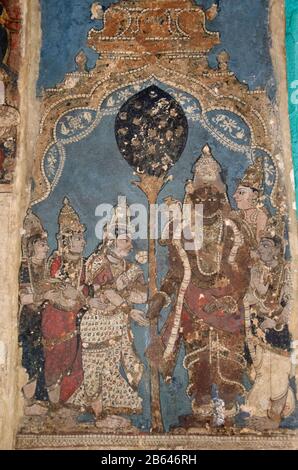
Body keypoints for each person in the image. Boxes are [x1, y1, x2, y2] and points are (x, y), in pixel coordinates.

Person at [147, 147, 247, 426]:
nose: (209, 199)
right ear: (192, 196)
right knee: (198, 358)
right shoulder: (182, 231)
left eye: (214, 194)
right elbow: (176, 272)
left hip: (227, 305)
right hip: (194, 302)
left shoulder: (232, 229)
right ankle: (202, 411)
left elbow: (242, 271)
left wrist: (229, 297)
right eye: (202, 194)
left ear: (221, 196)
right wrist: (162, 296)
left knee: (228, 357)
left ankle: (227, 412)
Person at [70, 203, 148, 427]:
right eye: (125, 239)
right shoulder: (97, 261)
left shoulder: (128, 265)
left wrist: (138, 296)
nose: (129, 244)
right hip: (97, 323)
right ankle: (99, 416)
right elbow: (106, 293)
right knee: (95, 370)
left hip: (117, 323)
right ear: (111, 240)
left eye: (129, 239)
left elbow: (140, 295)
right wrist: (129, 307)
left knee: (111, 369)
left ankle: (104, 414)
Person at [243, 218, 295, 430]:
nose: (260, 249)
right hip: (258, 330)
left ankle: (274, 418)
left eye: (266, 245)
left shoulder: (288, 271)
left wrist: (276, 321)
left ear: (276, 250)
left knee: (279, 370)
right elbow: (250, 298)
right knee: (262, 372)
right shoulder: (256, 271)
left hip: (279, 330)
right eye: (260, 245)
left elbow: (291, 303)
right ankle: (262, 413)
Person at [41, 198, 87, 406]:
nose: (83, 242)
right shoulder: (57, 261)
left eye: (82, 238)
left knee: (74, 357)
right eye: (78, 239)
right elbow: (52, 285)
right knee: (55, 357)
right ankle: (54, 403)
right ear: (67, 241)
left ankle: (70, 401)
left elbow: (86, 288)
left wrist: (81, 294)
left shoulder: (85, 264)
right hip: (55, 317)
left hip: (74, 318)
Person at [19, 209, 50, 416]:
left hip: (42, 320)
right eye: (42, 244)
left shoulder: (45, 267)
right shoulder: (24, 266)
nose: (46, 248)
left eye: (46, 244)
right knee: (29, 359)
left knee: (41, 358)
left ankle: (35, 400)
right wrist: (47, 295)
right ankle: (27, 403)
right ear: (31, 247)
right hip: (28, 320)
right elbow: (25, 298)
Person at [233, 157, 268, 244]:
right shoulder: (236, 215)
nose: (234, 196)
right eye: (236, 192)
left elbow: (259, 245)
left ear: (255, 195)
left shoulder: (260, 216)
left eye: (241, 192)